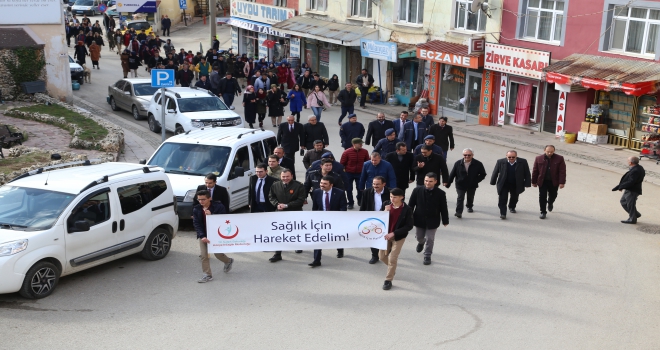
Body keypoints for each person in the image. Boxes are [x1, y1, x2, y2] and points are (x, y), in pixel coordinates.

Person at [192, 190, 234, 283]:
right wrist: (202, 236)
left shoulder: (219, 206)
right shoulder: (197, 209)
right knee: (204, 255)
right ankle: (207, 275)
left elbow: (223, 220)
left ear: (209, 198)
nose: (201, 202)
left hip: (216, 235)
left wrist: (212, 215)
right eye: (199, 199)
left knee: (218, 254)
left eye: (203, 199)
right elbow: (196, 224)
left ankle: (228, 261)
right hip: (204, 235)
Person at [408, 173, 449, 265]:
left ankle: (427, 255)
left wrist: (445, 220)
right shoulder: (417, 190)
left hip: (433, 220)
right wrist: (407, 217)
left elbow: (443, 208)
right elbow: (411, 205)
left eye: (430, 181)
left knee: (430, 238)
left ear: (435, 181)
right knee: (419, 237)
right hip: (419, 219)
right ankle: (421, 243)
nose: (428, 183)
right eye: (426, 181)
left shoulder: (441, 193)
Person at [379, 188, 414, 290]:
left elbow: (409, 226)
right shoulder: (386, 204)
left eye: (394, 197)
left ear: (401, 197)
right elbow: (378, 218)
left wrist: (393, 233)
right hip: (385, 236)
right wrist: (385, 212)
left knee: (393, 258)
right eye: (390, 196)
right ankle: (392, 268)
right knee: (382, 257)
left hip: (398, 237)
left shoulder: (407, 209)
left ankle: (388, 280)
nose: (392, 199)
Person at [268, 169, 306, 262]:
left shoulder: (299, 186)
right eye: (283, 177)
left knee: (295, 231)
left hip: (295, 212)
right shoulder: (275, 185)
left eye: (287, 176)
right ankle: (277, 254)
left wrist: (287, 205)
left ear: (292, 176)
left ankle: (298, 245)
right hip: (280, 213)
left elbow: (301, 200)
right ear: (280, 177)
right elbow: (271, 197)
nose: (285, 178)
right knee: (279, 234)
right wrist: (277, 204)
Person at [309, 176, 348, 267]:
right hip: (321, 220)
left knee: (337, 236)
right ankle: (316, 260)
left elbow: (343, 207)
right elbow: (315, 207)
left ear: (331, 185)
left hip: (335, 219)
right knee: (318, 239)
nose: (322, 185)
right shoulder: (317, 192)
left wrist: (338, 217)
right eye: (321, 183)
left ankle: (340, 249)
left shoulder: (340, 193)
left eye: (325, 184)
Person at [490, 150, 531, 219]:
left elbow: (527, 173)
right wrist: (493, 181)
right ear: (506, 156)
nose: (511, 158)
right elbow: (495, 172)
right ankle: (503, 213)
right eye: (509, 157)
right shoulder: (500, 161)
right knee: (502, 199)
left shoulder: (523, 162)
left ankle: (512, 207)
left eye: (513, 157)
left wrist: (527, 183)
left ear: (516, 156)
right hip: (504, 183)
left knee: (514, 197)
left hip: (516, 183)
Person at [446, 148, 487, 218]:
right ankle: (458, 212)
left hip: (472, 185)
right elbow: (453, 174)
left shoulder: (478, 164)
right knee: (460, 197)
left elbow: (483, 174)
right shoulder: (458, 163)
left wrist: (476, 180)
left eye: (469, 155)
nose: (467, 156)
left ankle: (469, 206)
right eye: (465, 155)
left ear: (472, 155)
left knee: (470, 197)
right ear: (463, 155)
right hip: (460, 184)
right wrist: (448, 183)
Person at [360, 176, 390, 264]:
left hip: (386, 218)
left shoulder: (390, 192)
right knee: (373, 237)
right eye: (373, 184)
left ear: (384, 184)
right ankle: (374, 256)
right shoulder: (367, 192)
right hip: (372, 219)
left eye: (377, 184)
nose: (375, 186)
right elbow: (363, 206)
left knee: (387, 238)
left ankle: (387, 254)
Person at [531, 145, 567, 219]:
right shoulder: (539, 158)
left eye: (551, 152)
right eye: (548, 151)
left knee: (553, 195)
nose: (550, 153)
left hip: (554, 181)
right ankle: (543, 212)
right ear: (544, 150)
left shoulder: (559, 158)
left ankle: (550, 202)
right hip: (542, 181)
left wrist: (562, 182)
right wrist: (533, 181)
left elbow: (562, 171)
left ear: (554, 151)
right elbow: (535, 170)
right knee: (542, 196)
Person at [612, 156, 645, 224]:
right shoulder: (638, 167)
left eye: (628, 160)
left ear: (631, 162)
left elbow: (631, 181)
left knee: (630, 204)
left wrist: (620, 186)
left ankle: (632, 219)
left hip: (632, 190)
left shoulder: (635, 170)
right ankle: (635, 214)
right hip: (630, 189)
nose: (627, 161)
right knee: (623, 201)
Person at [340, 138, 370, 209]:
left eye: (361, 144)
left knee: (360, 188)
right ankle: (350, 202)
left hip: (360, 173)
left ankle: (359, 199)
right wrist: (343, 173)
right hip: (349, 173)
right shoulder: (347, 152)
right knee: (349, 189)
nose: (361, 145)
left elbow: (367, 162)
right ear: (354, 144)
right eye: (359, 144)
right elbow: (342, 163)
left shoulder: (365, 152)